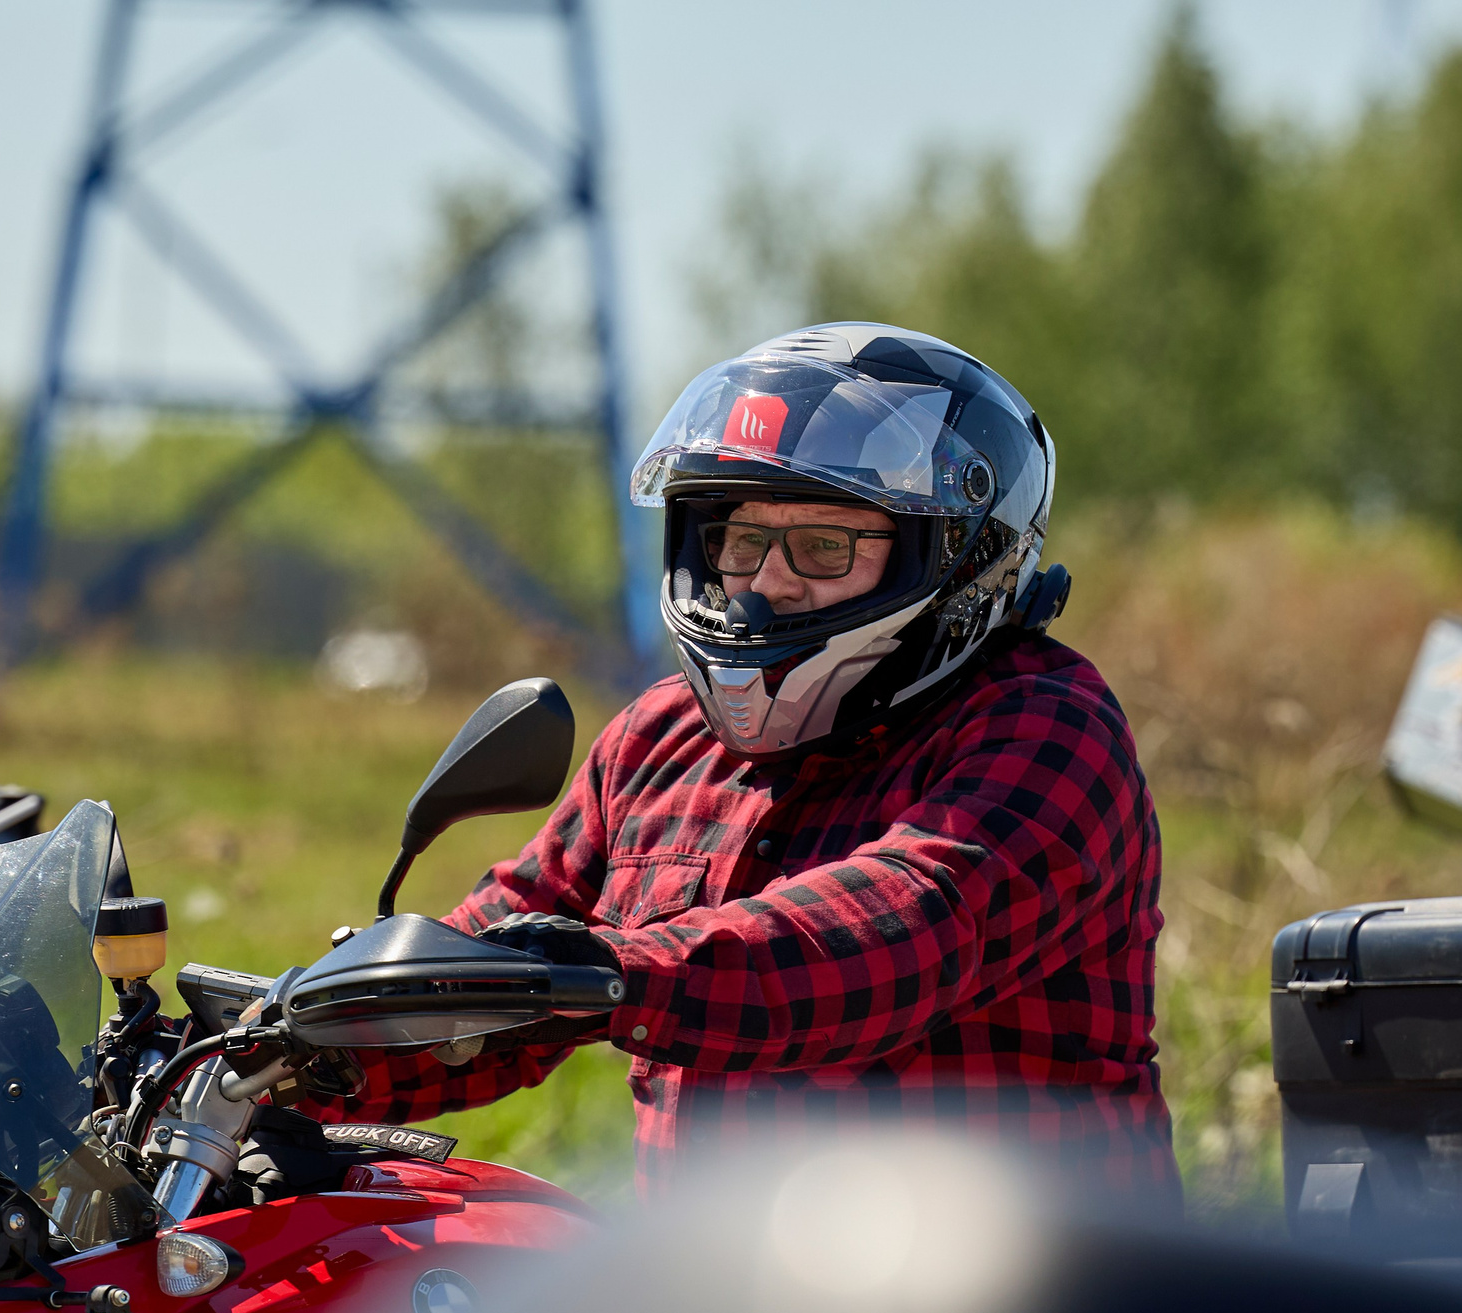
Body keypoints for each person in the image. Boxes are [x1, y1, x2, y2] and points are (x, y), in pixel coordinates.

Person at [304, 322, 1178, 1210]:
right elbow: (501, 956)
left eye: (826, 547)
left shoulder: (1041, 725)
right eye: (741, 539)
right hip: (726, 1307)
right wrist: (291, 1046)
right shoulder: (659, 741)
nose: (771, 583)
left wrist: (610, 975)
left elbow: (894, 934)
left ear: (958, 556)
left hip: (1035, 1308)